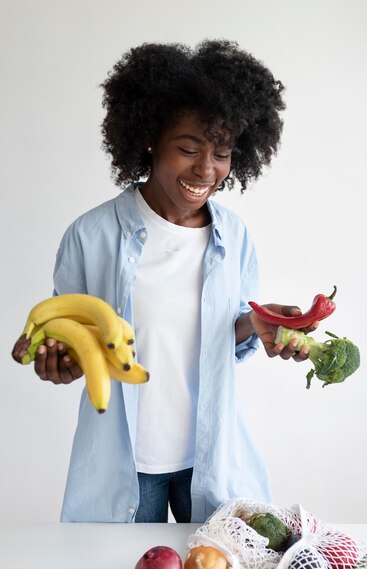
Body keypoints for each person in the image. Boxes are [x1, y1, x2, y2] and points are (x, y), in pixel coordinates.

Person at [34, 40, 314, 524]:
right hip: (124, 467)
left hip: (211, 458)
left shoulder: (236, 236)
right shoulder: (90, 236)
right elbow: (68, 341)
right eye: (188, 149)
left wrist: (256, 325)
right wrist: (60, 362)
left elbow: (220, 337)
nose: (206, 169)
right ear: (148, 139)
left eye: (222, 154)